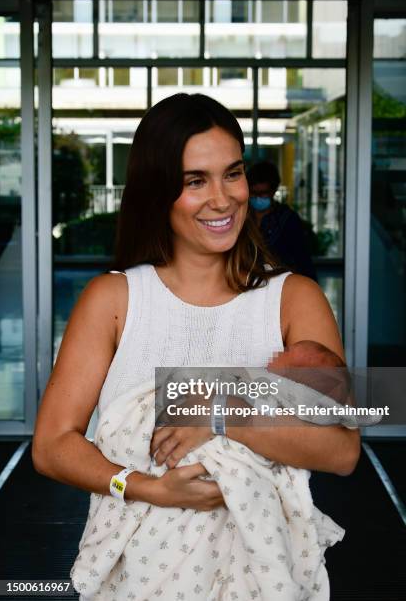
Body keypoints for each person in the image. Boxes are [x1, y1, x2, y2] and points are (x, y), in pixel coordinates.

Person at [31, 93, 360, 598]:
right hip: (139, 580)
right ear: (156, 192)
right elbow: (53, 446)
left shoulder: (294, 299)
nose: (223, 199)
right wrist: (146, 488)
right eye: (194, 181)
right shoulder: (114, 300)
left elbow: (341, 449)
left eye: (233, 173)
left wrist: (221, 412)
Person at [247, 161, 318, 281]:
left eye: (263, 193)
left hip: (281, 283)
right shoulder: (242, 217)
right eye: (254, 193)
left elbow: (302, 259)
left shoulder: (287, 219)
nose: (258, 198)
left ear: (273, 191)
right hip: (247, 282)